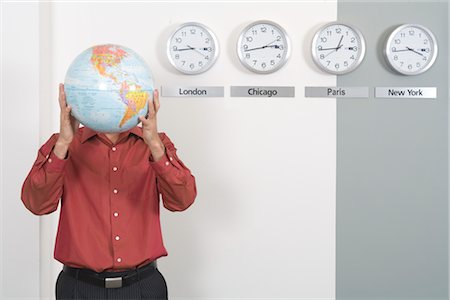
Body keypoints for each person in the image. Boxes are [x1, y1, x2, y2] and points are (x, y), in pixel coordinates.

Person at [21, 84, 197, 300]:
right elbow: (36, 204)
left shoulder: (156, 144)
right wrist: (64, 142)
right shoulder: (63, 144)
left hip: (143, 286)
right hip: (78, 288)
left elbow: (182, 200)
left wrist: (154, 145)